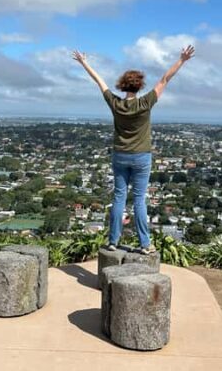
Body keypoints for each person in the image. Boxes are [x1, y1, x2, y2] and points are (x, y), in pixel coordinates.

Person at [72, 45, 195, 253]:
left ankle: (113, 241)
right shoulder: (146, 103)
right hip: (141, 157)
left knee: (119, 197)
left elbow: (99, 82)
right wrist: (182, 60)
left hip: (120, 155)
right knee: (139, 200)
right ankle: (145, 244)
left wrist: (84, 63)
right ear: (139, 86)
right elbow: (165, 79)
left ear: (122, 86)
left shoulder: (115, 103)